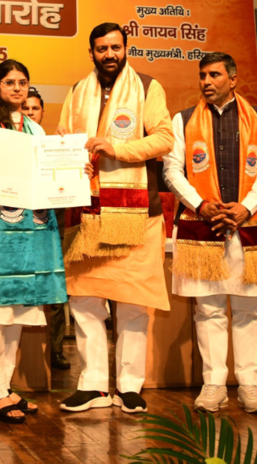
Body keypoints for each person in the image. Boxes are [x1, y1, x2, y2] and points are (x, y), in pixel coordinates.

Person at [0, 61, 81, 423]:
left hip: (27, 232)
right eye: (10, 82)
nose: (18, 88)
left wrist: (72, 171)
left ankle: (3, 387)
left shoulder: (36, 130)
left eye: (23, 82)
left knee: (17, 311)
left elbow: (47, 176)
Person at [56, 23, 174, 415]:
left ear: (126, 49)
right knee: (85, 298)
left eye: (116, 47)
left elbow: (165, 138)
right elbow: (63, 139)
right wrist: (74, 161)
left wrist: (117, 149)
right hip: (87, 213)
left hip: (136, 214)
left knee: (133, 301)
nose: (109, 55)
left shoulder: (148, 86)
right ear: (91, 52)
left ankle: (128, 387)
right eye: (102, 49)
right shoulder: (77, 90)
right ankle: (92, 385)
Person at [163, 52, 257, 415]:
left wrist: (246, 206)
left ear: (232, 79)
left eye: (214, 75)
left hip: (248, 223)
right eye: (202, 75)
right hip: (204, 224)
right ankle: (214, 385)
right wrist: (200, 204)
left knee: (248, 310)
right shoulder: (184, 119)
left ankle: (250, 386)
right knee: (209, 309)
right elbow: (172, 170)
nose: (206, 81)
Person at [22, 88, 72, 372]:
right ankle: (24, 355)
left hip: (52, 225)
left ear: (42, 112)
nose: (30, 113)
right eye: (25, 108)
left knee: (54, 290)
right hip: (19, 224)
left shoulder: (55, 145)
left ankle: (55, 350)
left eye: (35, 108)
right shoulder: (9, 144)